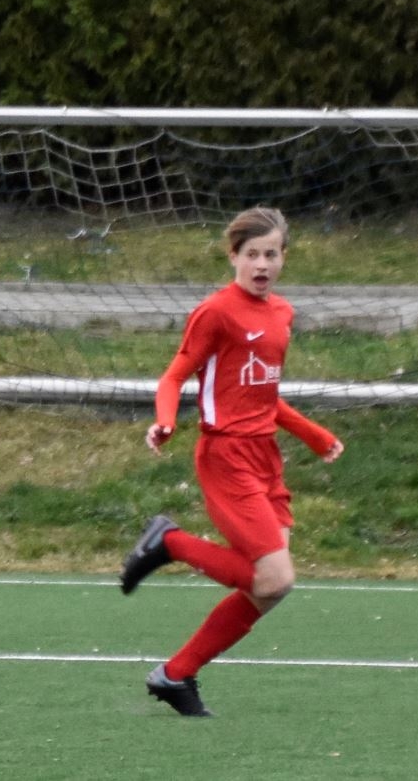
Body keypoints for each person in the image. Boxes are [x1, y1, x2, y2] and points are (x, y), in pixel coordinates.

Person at [119, 206, 344, 717]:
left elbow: (262, 396)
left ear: (284, 257)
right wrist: (165, 421)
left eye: (272, 254)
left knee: (268, 590)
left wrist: (313, 435)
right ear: (233, 257)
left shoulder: (282, 314)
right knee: (275, 578)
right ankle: (170, 542)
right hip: (225, 456)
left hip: (265, 457)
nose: (262, 264)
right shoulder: (216, 312)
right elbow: (174, 377)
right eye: (252, 254)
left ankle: (176, 674)